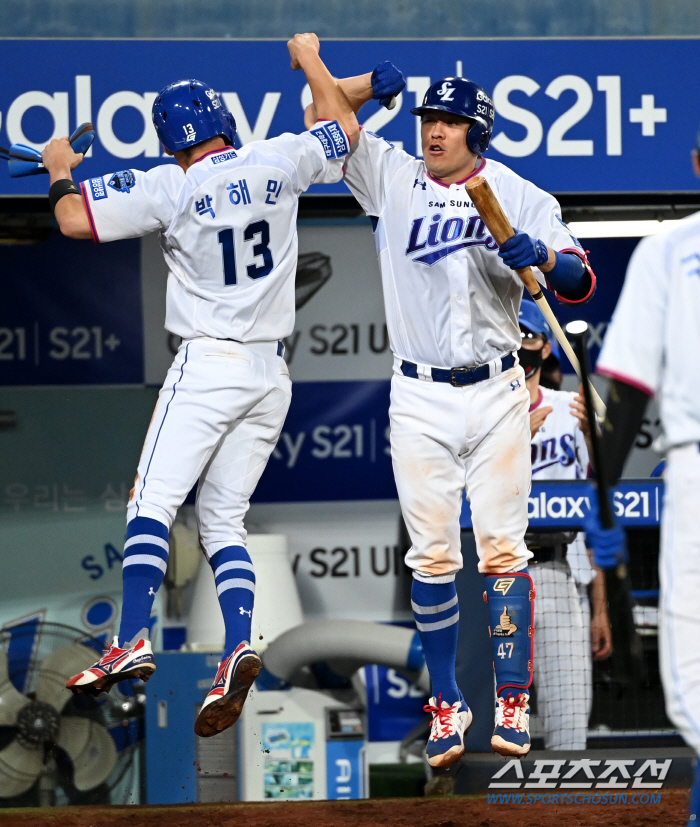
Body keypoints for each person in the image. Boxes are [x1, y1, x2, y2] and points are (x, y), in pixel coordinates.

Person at [41, 34, 360, 738]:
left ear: (171, 141)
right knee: (222, 521)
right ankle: (240, 640)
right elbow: (345, 126)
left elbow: (69, 217)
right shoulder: (280, 153)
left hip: (209, 361)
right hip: (272, 372)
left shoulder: (172, 183)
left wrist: (60, 168)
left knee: (151, 499)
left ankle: (130, 636)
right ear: (223, 123)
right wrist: (311, 59)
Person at [305, 65, 595, 764]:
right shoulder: (391, 174)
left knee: (502, 551)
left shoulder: (519, 194)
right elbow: (330, 117)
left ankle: (513, 696)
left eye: (450, 120)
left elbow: (580, 280)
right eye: (429, 118)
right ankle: (446, 703)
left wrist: (544, 258)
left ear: (478, 131)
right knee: (431, 558)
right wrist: (350, 74)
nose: (434, 129)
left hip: (497, 389)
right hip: (418, 392)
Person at [584, 134, 700, 827]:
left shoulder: (672, 248)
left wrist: (604, 501)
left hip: (695, 465)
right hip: (691, 457)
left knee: (690, 677)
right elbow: (624, 386)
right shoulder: (668, 250)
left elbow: (624, 395)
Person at [519, 299, 611, 750]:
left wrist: (601, 607)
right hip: (496, 580)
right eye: (512, 335)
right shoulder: (477, 414)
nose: (520, 346)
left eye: (528, 337)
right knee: (489, 724)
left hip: (562, 577)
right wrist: (515, 441)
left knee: (569, 727)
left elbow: (601, 507)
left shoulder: (570, 411)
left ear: (546, 346)